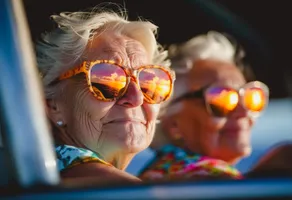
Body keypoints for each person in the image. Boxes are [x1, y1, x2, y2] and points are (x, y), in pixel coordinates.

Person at [36, 6, 175, 184]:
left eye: (149, 82)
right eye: (106, 80)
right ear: (52, 105)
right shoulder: (122, 190)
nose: (136, 98)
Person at [139, 31, 270, 181]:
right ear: (174, 125)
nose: (243, 111)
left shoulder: (163, 172)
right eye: (222, 99)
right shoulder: (208, 177)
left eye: (251, 97)